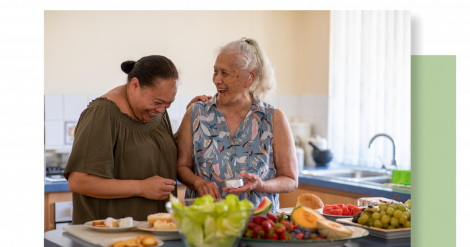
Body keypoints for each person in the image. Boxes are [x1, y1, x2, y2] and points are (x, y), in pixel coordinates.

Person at [64, 55, 212, 224]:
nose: (162, 110)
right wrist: (141, 187)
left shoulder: (155, 113)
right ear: (135, 85)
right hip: (110, 238)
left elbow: (162, 153)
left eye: (168, 104)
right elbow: (79, 181)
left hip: (151, 236)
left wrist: (190, 115)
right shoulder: (102, 113)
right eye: (158, 102)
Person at [177, 38, 298, 212]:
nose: (216, 80)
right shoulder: (196, 113)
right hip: (206, 222)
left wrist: (260, 185)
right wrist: (198, 182)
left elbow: (290, 180)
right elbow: (181, 167)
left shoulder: (274, 119)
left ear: (248, 78)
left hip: (259, 225)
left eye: (225, 73)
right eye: (215, 72)